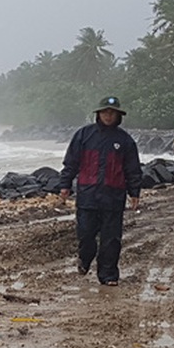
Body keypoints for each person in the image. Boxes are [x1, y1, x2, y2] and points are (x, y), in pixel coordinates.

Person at [58, 95, 142, 287]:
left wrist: (134, 192)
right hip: (87, 195)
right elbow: (71, 162)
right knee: (86, 235)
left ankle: (108, 274)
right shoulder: (84, 135)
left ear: (118, 115)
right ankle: (84, 259)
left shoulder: (125, 141)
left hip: (114, 197)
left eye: (112, 113)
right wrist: (65, 185)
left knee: (111, 240)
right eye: (105, 112)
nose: (108, 116)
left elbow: (132, 169)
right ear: (98, 113)